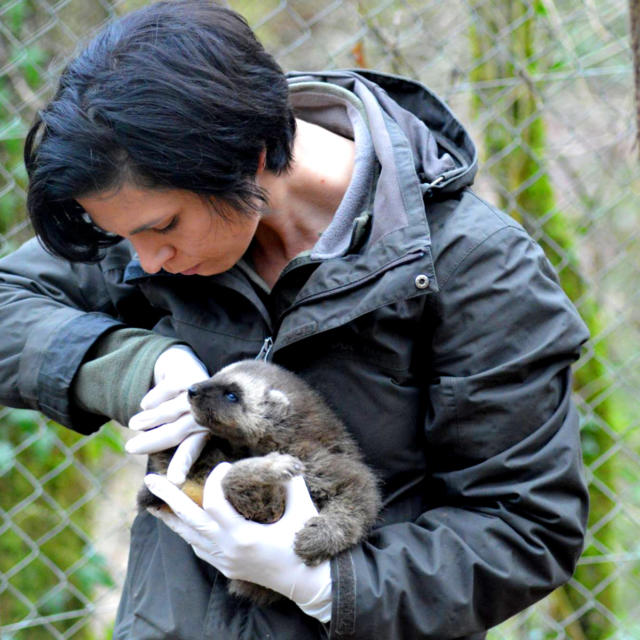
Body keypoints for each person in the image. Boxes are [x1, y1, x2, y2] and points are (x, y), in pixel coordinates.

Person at [0, 1, 590, 638]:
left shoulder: (476, 267)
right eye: (127, 237)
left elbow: (524, 528)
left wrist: (329, 586)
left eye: (164, 228)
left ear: (249, 159)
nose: (148, 261)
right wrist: (140, 367)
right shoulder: (149, 194)